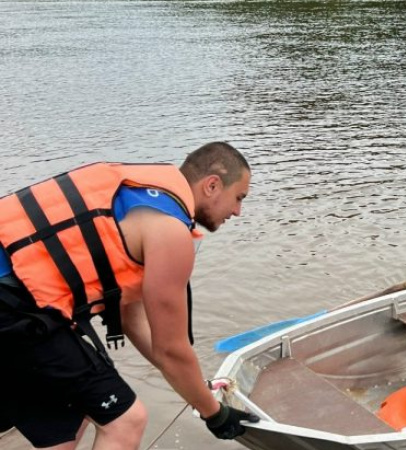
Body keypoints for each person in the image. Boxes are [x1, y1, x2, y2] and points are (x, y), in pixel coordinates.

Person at [0, 142, 259, 449]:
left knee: (69, 418)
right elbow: (170, 349)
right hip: (14, 309)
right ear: (212, 185)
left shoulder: (137, 201)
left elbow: (135, 323)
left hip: (19, 310)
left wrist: (195, 390)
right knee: (126, 420)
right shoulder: (170, 232)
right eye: (238, 198)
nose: (238, 212)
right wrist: (214, 414)